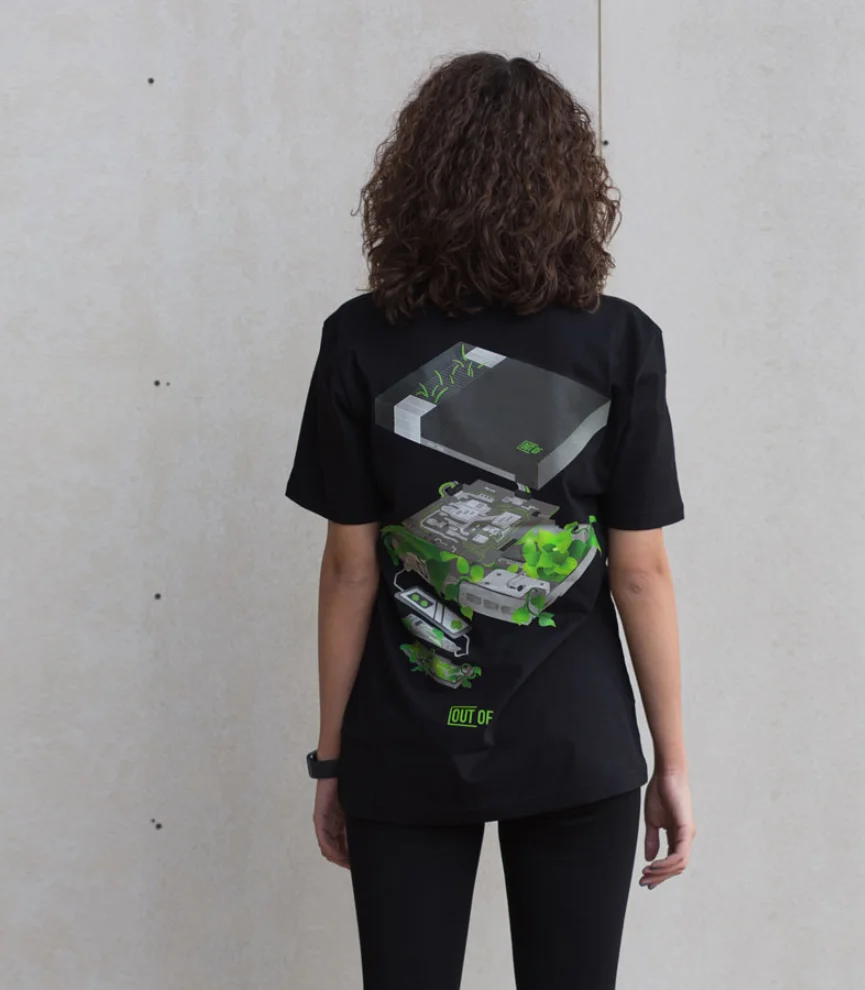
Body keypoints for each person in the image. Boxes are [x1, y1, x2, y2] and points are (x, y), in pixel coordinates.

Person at [285, 51, 695, 990]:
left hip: (407, 739)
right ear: (571, 187)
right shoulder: (621, 339)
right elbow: (641, 572)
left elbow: (349, 568)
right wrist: (670, 760)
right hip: (575, 741)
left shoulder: (361, 338)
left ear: (415, 182)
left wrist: (333, 759)